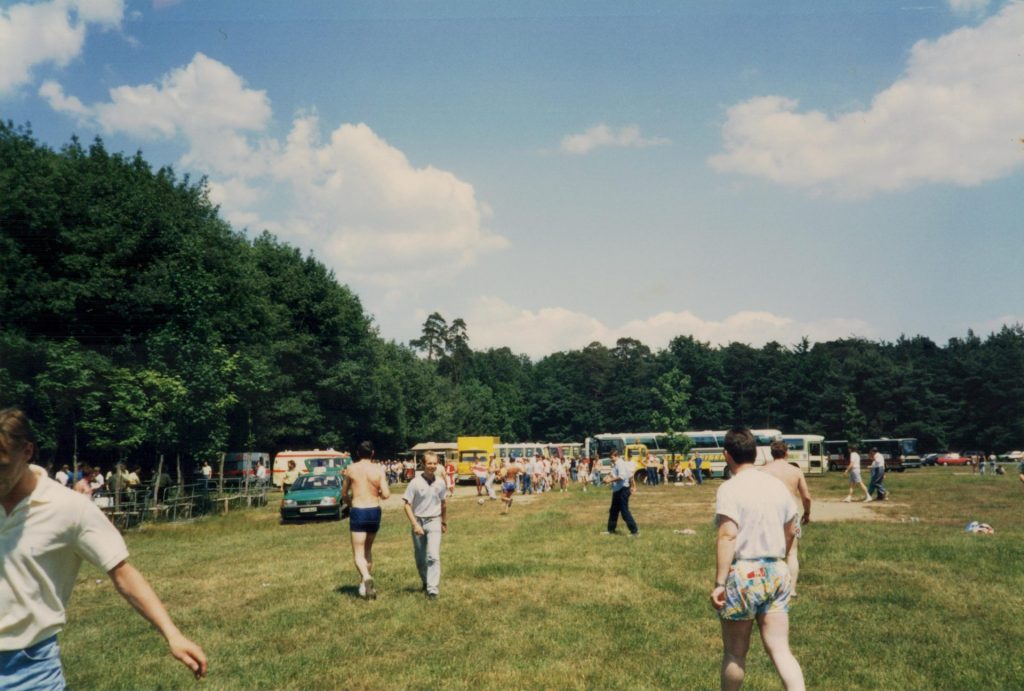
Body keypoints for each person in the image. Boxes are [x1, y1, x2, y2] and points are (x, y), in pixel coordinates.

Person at [0, 408, 207, 688]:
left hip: (29, 669)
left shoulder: (69, 509)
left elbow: (122, 572)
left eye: (1, 465)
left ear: (26, 451)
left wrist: (172, 634)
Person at [710, 427, 804, 691]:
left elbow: (728, 535)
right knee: (781, 650)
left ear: (727, 455)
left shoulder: (729, 489)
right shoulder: (777, 486)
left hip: (743, 574)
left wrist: (719, 583)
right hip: (776, 570)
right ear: (755, 453)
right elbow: (791, 531)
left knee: (735, 654)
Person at [761, 441, 812, 598]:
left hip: (769, 514)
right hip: (791, 513)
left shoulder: (763, 470)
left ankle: (769, 586)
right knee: (791, 553)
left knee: (768, 551)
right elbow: (806, 497)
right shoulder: (795, 471)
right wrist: (807, 513)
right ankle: (791, 590)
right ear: (786, 453)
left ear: (771, 453)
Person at [341, 441, 390, 600]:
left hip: (359, 510)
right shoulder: (378, 469)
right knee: (368, 550)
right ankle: (364, 584)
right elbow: (387, 494)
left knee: (358, 552)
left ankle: (367, 578)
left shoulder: (351, 469)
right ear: (373, 453)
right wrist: (379, 494)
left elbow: (344, 494)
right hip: (374, 511)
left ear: (357, 453)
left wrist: (350, 504)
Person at [402, 452, 448, 599]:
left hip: (434, 520)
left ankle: (432, 589)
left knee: (433, 556)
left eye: (435, 463)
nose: (432, 466)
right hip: (418, 522)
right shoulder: (415, 482)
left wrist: (444, 522)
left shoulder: (440, 482)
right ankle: (425, 581)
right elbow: (407, 505)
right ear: (423, 464)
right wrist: (415, 524)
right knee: (420, 559)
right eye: (429, 463)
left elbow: (443, 504)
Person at [603, 449, 638, 536]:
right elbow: (628, 475)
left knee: (624, 511)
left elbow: (622, 477)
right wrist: (607, 477)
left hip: (623, 490)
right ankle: (611, 530)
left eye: (612, 457)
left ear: (616, 456)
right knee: (613, 511)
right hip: (617, 490)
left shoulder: (620, 464)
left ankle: (634, 531)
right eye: (610, 457)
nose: (611, 459)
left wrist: (610, 480)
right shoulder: (616, 464)